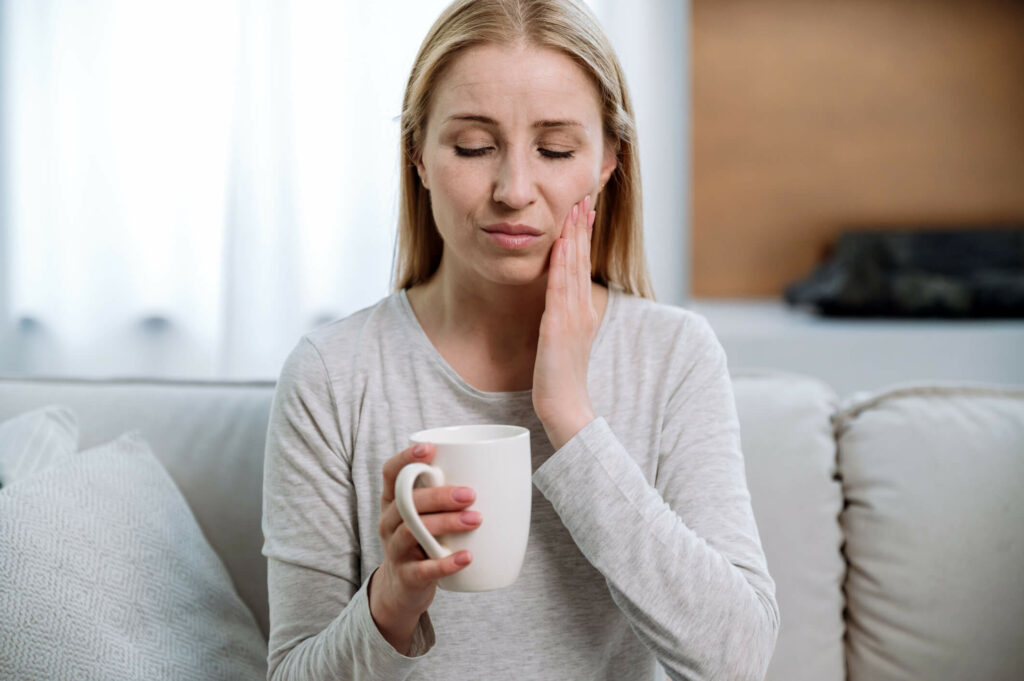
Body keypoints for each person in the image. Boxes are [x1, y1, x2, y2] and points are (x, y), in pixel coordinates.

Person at [261, 0, 779, 679]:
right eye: (474, 147)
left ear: (607, 162)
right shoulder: (334, 375)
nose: (513, 190)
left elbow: (739, 656)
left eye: (556, 150)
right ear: (417, 155)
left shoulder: (673, 357)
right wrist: (389, 603)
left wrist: (569, 415)